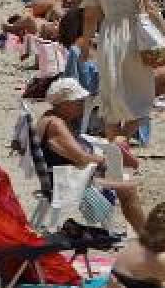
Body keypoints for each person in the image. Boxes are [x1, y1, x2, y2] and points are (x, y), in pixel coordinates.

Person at [80, 0, 165, 141]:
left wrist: (85, 45)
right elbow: (148, 7)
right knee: (141, 97)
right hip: (133, 36)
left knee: (111, 97)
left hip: (108, 36)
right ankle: (122, 141)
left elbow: (90, 16)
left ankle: (115, 151)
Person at [37, 78, 147, 233]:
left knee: (120, 162)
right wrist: (103, 160)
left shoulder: (49, 118)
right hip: (70, 183)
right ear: (64, 104)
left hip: (62, 178)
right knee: (127, 189)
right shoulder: (56, 125)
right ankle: (146, 236)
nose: (83, 104)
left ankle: (143, 232)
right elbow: (81, 159)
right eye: (78, 101)